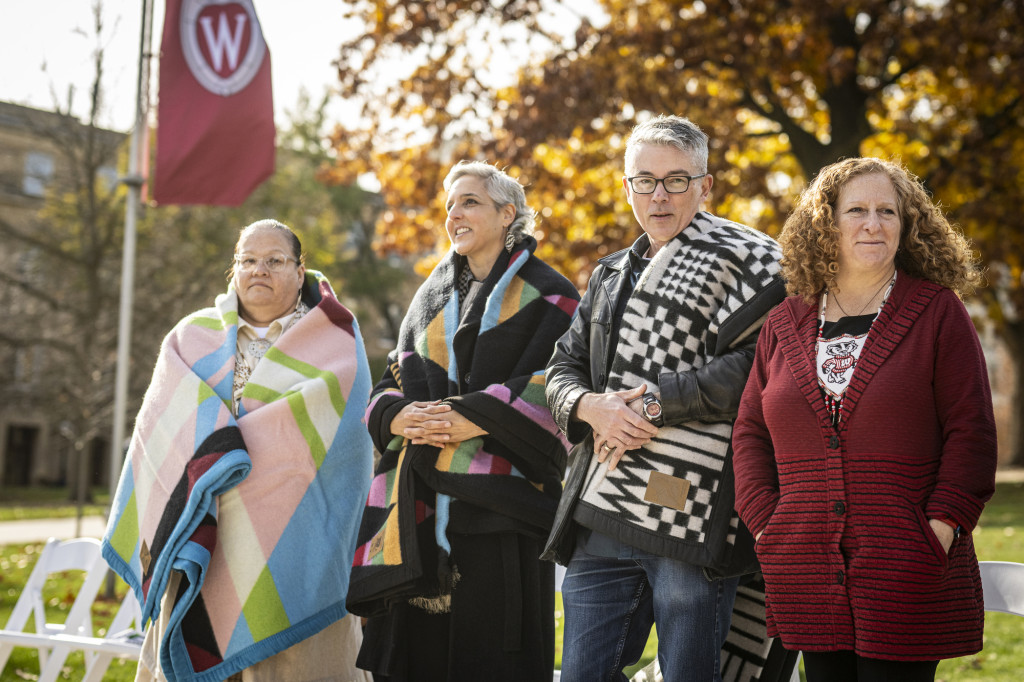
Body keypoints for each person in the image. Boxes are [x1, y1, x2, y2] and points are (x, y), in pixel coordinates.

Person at [732, 157, 998, 682]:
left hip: (907, 568)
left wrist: (938, 530)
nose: (873, 223)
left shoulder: (937, 312)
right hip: (805, 566)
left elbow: (972, 432)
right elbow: (750, 432)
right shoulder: (784, 323)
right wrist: (766, 523)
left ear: (908, 225)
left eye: (887, 211)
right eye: (856, 210)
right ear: (826, 224)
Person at [543, 115, 786, 682]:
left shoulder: (750, 262)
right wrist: (590, 406)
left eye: (677, 180)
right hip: (600, 508)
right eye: (645, 180)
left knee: (688, 675)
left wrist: (656, 402)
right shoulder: (608, 273)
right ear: (626, 188)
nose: (660, 194)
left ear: (705, 187)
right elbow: (560, 370)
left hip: (693, 517)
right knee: (581, 674)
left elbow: (761, 365)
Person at [102, 219, 374, 682]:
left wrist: (224, 456)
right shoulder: (190, 339)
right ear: (234, 269)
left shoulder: (335, 341)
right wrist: (215, 469)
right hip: (200, 542)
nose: (258, 270)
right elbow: (160, 433)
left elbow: (340, 446)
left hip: (296, 545)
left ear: (299, 268)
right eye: (247, 260)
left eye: (274, 261)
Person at [346, 161, 581, 681]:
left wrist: (470, 419)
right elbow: (390, 379)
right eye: (449, 205)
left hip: (505, 508)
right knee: (415, 662)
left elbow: (562, 384)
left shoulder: (553, 295)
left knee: (495, 662)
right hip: (418, 508)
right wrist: (399, 415)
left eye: (469, 201)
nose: (454, 213)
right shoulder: (430, 296)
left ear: (507, 213)